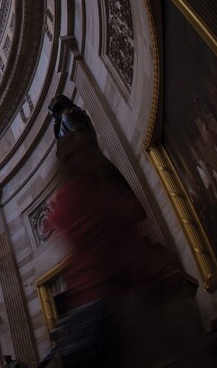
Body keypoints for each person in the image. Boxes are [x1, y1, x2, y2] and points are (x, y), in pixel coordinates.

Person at [47, 95, 203, 367]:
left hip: (108, 303)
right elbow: (115, 246)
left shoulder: (68, 197)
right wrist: (156, 268)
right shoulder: (91, 194)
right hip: (120, 302)